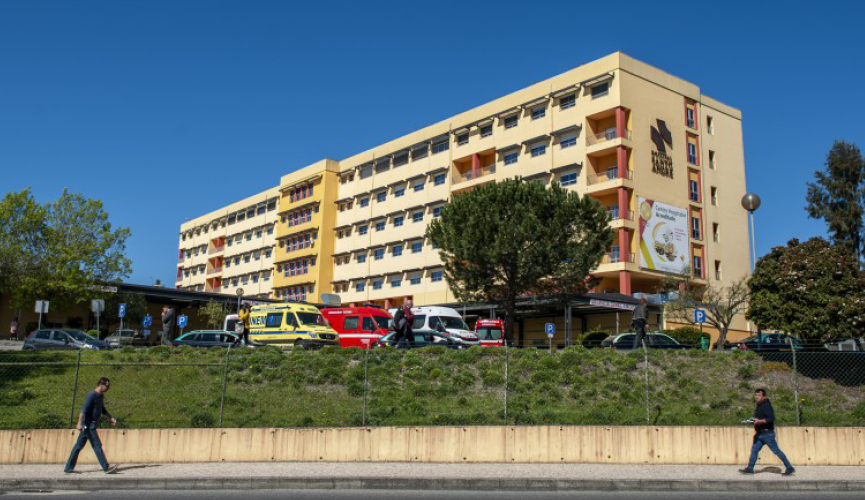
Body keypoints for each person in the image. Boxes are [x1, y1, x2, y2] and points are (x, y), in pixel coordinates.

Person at [64, 377, 119, 474]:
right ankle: (106, 468)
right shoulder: (92, 395)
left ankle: (68, 467)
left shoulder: (100, 396)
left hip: (90, 424)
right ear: (101, 384)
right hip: (88, 424)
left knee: (79, 445)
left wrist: (110, 418)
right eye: (107, 385)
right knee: (97, 445)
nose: (108, 387)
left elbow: (102, 409)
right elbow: (83, 409)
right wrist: (79, 423)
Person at [739, 388, 795, 476]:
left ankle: (789, 468)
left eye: (759, 395)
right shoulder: (759, 405)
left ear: (763, 396)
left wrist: (759, 421)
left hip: (767, 433)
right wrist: (752, 421)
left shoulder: (766, 406)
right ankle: (749, 469)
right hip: (759, 433)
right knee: (754, 450)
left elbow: (770, 419)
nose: (756, 397)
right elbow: (757, 418)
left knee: (776, 451)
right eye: (756, 395)